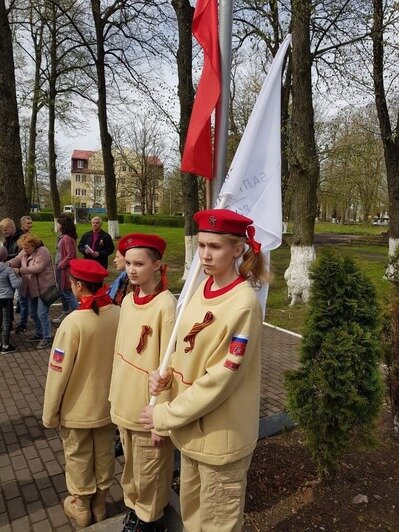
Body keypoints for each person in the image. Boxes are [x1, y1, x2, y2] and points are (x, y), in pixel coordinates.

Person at [139, 208, 268, 532]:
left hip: (219, 442)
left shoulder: (244, 305)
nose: (205, 255)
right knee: (194, 521)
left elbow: (219, 381)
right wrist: (165, 375)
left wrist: (164, 416)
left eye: (215, 247)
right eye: (201, 245)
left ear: (237, 249)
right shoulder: (201, 289)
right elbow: (187, 349)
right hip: (192, 433)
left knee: (216, 526)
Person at [42, 259, 120, 528]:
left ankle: (82, 507)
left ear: (76, 286)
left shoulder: (72, 323)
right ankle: (100, 503)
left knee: (78, 457)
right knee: (104, 453)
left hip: (77, 410)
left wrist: (50, 413)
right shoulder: (117, 314)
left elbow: (57, 373)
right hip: (108, 406)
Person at [109, 233, 176, 532]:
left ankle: (150, 519)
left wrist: (161, 418)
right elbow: (120, 354)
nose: (132, 270)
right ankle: (135, 509)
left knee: (151, 469)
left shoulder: (165, 304)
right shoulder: (126, 301)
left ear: (157, 265)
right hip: (124, 403)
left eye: (139, 263)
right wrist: (114, 396)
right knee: (132, 469)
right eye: (128, 264)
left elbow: (169, 365)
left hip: (148, 409)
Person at [9, 234, 55, 349]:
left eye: (27, 247)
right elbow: (16, 259)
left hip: (44, 288)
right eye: (23, 248)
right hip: (31, 288)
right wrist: (7, 265)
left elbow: (37, 268)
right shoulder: (24, 251)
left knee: (42, 313)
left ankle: (47, 337)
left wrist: (19, 270)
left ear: (34, 245)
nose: (24, 250)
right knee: (33, 312)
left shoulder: (43, 251)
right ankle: (39, 333)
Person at [52, 214, 78, 325]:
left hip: (64, 270)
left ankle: (78, 314)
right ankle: (66, 313)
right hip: (61, 268)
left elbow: (70, 255)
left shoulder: (66, 238)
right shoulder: (63, 237)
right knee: (63, 292)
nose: (57, 225)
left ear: (63, 225)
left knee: (67, 292)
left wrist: (60, 265)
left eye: (58, 223)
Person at [0, 247, 21, 354]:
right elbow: (15, 284)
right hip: (6, 298)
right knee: (6, 321)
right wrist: (19, 278)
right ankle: (6, 345)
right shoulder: (8, 269)